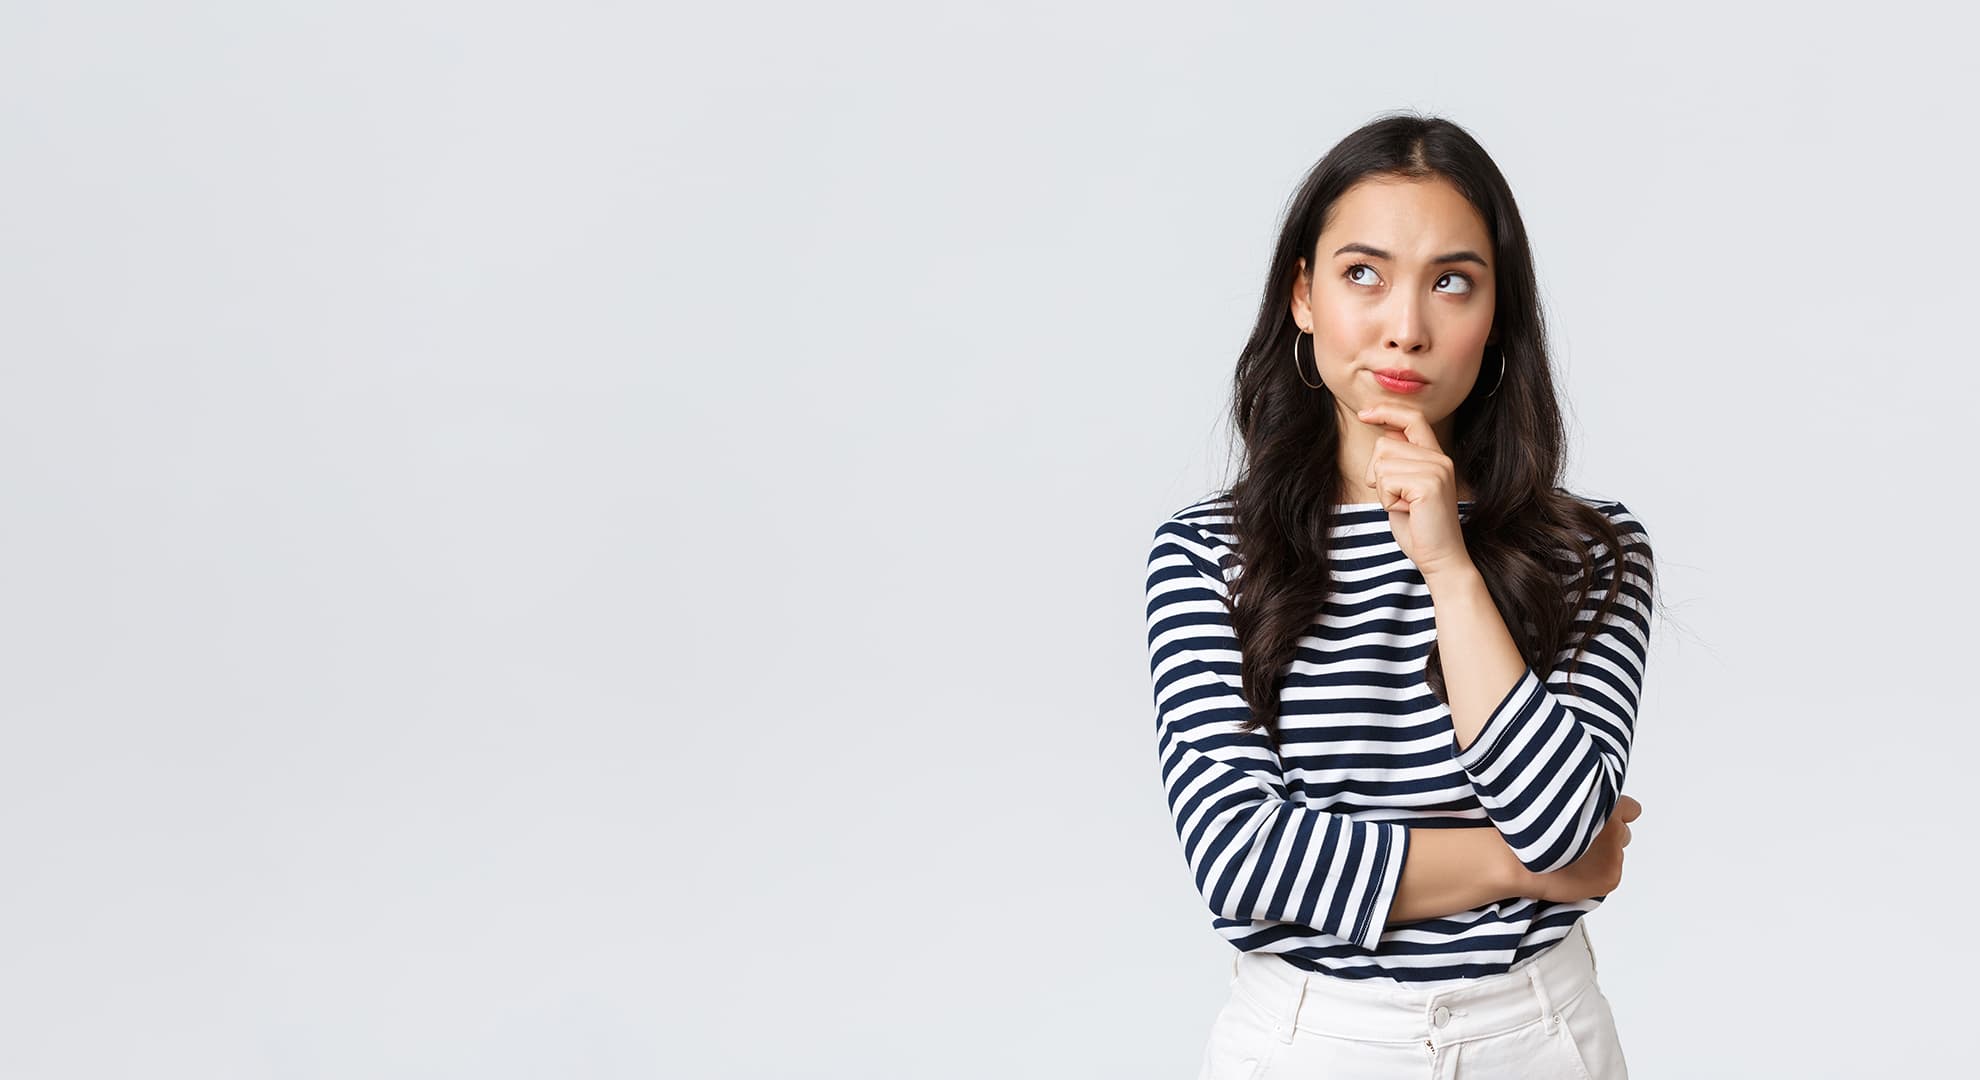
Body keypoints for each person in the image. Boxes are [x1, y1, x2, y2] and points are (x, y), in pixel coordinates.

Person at [1144, 112, 1658, 1079]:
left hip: (1538, 1036)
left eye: (1452, 282)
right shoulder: (1211, 553)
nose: (1406, 327)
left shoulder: (1590, 551)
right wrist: (1515, 869)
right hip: (1305, 1043)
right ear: (1303, 295)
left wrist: (1449, 568)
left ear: (1498, 313)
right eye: (1362, 275)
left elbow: (1556, 819)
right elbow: (1240, 860)